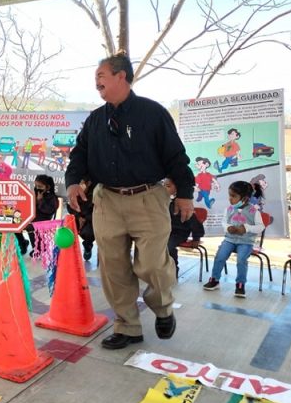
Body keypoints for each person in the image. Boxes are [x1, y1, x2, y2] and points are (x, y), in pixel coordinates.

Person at [65, 53, 194, 350]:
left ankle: (162, 308)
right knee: (113, 268)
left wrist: (185, 193)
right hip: (107, 200)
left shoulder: (153, 113)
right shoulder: (96, 119)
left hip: (148, 198)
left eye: (101, 75)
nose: (96, 81)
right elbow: (79, 155)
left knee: (151, 264)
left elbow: (176, 156)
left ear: (121, 76)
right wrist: (73, 183)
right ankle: (128, 326)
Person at [202, 181, 265, 298]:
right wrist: (228, 227)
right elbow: (224, 222)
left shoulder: (254, 211)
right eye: (229, 195)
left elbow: (261, 227)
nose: (230, 199)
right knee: (220, 256)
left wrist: (246, 228)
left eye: (233, 196)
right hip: (230, 240)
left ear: (245, 198)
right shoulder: (229, 209)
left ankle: (240, 284)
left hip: (246, 242)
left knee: (241, 260)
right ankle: (214, 280)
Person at [165, 177, 205, 278]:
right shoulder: (166, 202)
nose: (164, 189)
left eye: (168, 186)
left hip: (179, 233)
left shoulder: (184, 205)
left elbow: (194, 223)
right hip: (166, 231)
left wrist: (196, 238)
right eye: (164, 186)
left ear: (177, 188)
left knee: (168, 246)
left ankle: (173, 271)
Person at [16, 174, 57, 255]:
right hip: (32, 219)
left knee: (29, 227)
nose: (37, 188)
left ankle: (38, 248)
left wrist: (40, 200)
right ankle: (23, 242)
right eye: (36, 185)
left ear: (47, 187)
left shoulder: (52, 198)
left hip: (43, 221)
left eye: (40, 186)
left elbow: (48, 211)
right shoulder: (34, 194)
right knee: (14, 223)